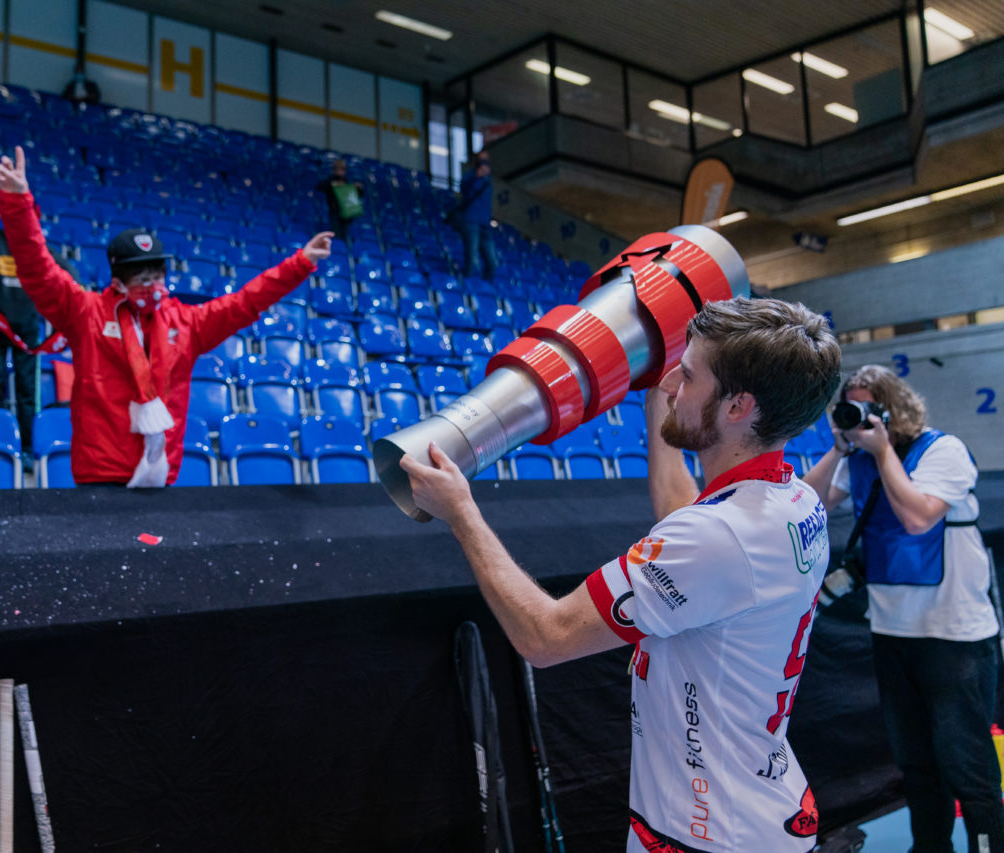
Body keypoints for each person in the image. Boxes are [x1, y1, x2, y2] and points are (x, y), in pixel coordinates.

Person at [401, 297, 842, 852]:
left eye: (688, 375)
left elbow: (546, 636)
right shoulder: (792, 498)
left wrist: (461, 515)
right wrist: (662, 405)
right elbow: (685, 515)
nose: (673, 384)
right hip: (750, 814)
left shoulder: (716, 539)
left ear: (739, 406)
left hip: (710, 836)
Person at [0, 145, 332, 486]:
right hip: (99, 474)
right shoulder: (85, 312)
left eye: (157, 275)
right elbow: (37, 269)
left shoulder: (187, 323)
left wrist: (300, 263)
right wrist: (18, 203)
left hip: (160, 477)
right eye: (141, 278)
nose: (153, 286)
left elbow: (246, 302)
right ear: (117, 281)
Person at [802, 365, 1004, 853]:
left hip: (954, 636)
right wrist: (840, 447)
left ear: (893, 406)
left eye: (868, 406)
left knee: (967, 763)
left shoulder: (944, 450)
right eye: (851, 407)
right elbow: (808, 502)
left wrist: (882, 450)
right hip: (894, 632)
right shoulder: (861, 458)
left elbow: (917, 517)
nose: (859, 416)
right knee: (915, 763)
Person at [0, 226, 79, 456]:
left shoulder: (36, 245)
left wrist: (74, 287)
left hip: (27, 330)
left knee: (28, 390)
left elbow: (68, 272)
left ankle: (27, 446)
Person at [457, 150, 497, 282]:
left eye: (486, 160)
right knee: (471, 257)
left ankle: (487, 289)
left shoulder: (489, 179)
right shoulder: (470, 176)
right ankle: (466, 286)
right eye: (482, 160)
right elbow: (464, 190)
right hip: (471, 221)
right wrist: (476, 177)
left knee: (492, 261)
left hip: (485, 224)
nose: (484, 163)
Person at [315, 159, 364, 241]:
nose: (341, 171)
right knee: (336, 235)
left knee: (344, 236)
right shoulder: (330, 180)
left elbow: (358, 195)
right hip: (335, 213)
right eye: (339, 168)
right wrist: (333, 184)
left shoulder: (347, 182)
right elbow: (319, 187)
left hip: (346, 213)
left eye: (343, 169)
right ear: (335, 170)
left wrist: (359, 188)